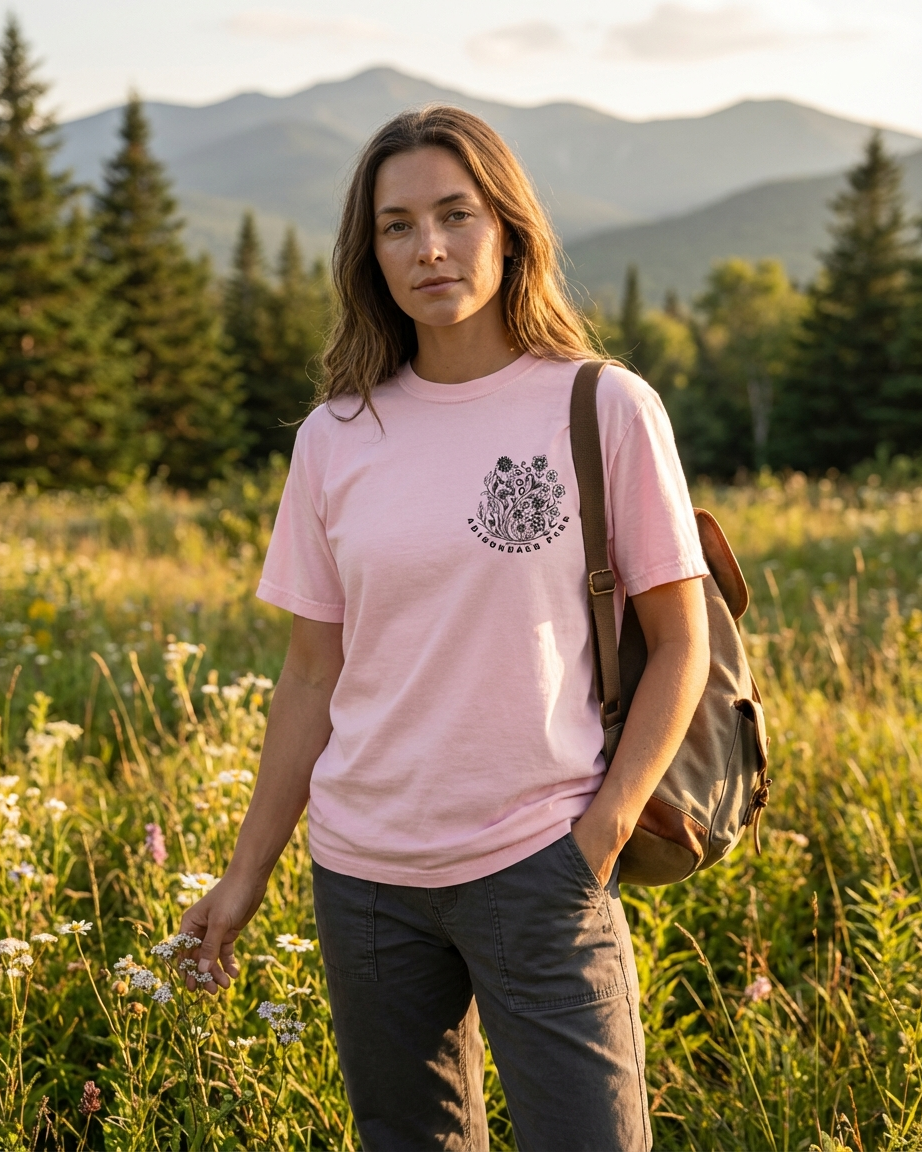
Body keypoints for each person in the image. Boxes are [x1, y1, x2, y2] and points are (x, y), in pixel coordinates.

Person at [180, 105, 710, 1151]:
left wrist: (598, 835)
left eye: (456, 214)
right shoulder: (334, 438)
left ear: (508, 229)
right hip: (363, 878)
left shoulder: (602, 406)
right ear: (367, 252)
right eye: (396, 225)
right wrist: (244, 878)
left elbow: (681, 641)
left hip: (539, 860)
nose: (428, 247)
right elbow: (309, 677)